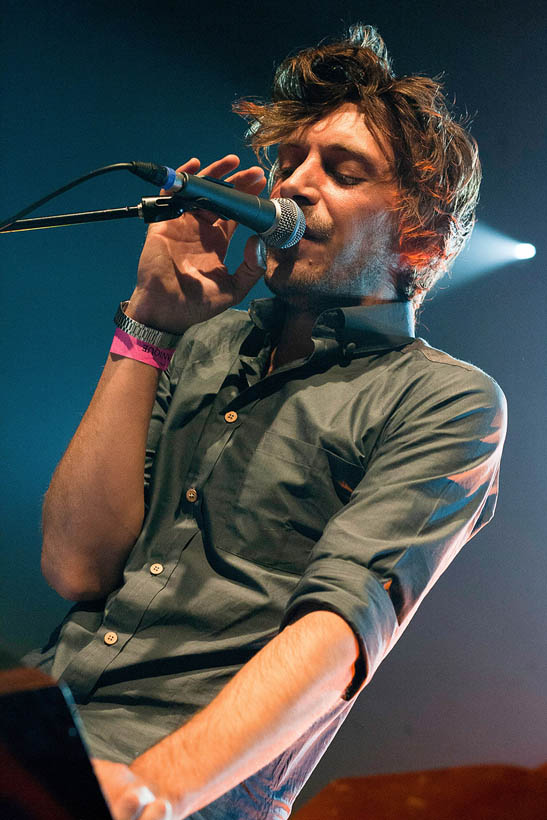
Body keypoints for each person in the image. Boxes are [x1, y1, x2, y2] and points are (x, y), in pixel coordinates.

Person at [26, 23, 506, 820]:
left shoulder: (443, 400)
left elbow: (339, 630)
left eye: (341, 171)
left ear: (419, 236)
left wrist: (156, 788)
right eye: (289, 162)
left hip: (189, 790)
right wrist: (148, 327)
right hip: (49, 728)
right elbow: (76, 566)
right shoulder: (206, 342)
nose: (292, 187)